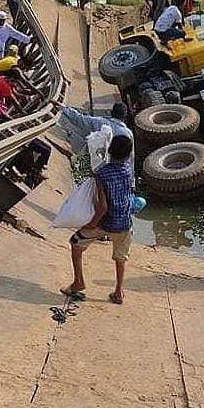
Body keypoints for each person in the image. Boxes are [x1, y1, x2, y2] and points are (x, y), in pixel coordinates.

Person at [61, 135, 134, 304]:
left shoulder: (102, 173)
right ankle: (119, 292)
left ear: (110, 150)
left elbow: (103, 207)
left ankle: (78, 282)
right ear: (128, 155)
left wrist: (92, 224)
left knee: (75, 243)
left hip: (105, 223)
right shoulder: (128, 171)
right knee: (121, 257)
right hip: (125, 223)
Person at [55, 102, 135, 185]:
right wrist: (132, 182)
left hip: (95, 168)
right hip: (115, 175)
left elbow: (79, 119)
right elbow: (131, 159)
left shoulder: (100, 122)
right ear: (125, 116)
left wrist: (63, 108)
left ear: (111, 112)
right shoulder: (128, 134)